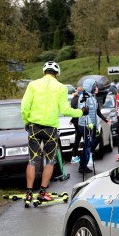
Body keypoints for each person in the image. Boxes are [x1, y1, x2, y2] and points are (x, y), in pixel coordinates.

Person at [21, 61, 86, 205]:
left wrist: (27, 121)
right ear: (57, 74)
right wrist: (81, 112)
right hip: (50, 129)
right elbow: (65, 110)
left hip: (34, 127)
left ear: (44, 71)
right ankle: (43, 192)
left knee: (32, 160)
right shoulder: (61, 88)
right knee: (50, 161)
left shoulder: (33, 85)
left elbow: (25, 106)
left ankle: (29, 194)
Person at [77, 78, 102, 174]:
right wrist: (89, 123)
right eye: (94, 86)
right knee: (87, 146)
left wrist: (96, 123)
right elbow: (83, 112)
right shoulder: (84, 96)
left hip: (93, 125)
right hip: (85, 125)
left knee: (94, 141)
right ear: (89, 86)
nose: (95, 87)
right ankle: (82, 166)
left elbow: (95, 112)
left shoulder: (92, 96)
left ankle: (84, 159)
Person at [70, 86, 84, 164]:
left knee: (77, 138)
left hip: (75, 121)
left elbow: (73, 111)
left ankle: (74, 156)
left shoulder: (73, 99)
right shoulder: (80, 99)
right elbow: (79, 111)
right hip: (80, 120)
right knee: (84, 138)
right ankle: (83, 156)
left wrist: (72, 120)